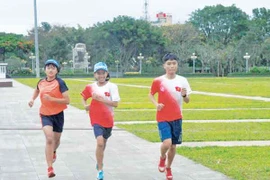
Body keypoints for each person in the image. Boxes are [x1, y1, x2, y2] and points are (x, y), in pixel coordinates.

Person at [148, 53, 192, 180]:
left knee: (173, 146)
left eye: (174, 63)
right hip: (162, 116)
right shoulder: (158, 81)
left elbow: (187, 100)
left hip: (177, 117)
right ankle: (162, 157)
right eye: (169, 64)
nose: (171, 66)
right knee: (167, 143)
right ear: (164, 66)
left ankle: (168, 167)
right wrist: (156, 104)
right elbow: (150, 95)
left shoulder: (182, 80)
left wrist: (184, 95)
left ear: (177, 65)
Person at [28, 59, 70, 178]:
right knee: (49, 139)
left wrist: (52, 99)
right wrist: (32, 99)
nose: (50, 70)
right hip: (45, 114)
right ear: (45, 70)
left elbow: (67, 100)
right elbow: (37, 90)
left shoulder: (60, 82)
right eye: (48, 67)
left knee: (56, 141)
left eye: (53, 68)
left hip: (58, 114)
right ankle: (50, 168)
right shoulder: (41, 82)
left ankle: (54, 151)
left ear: (57, 70)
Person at [81, 62, 120, 180]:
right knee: (100, 143)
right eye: (98, 73)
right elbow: (83, 96)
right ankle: (100, 169)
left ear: (107, 74)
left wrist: (101, 100)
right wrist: (85, 105)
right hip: (96, 119)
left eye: (103, 73)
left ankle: (99, 160)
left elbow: (116, 104)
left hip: (108, 120)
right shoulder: (91, 87)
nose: (101, 75)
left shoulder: (112, 87)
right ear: (95, 74)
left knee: (103, 143)